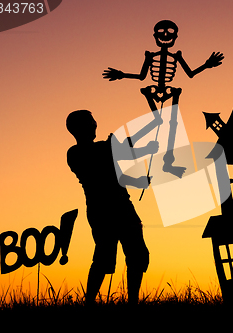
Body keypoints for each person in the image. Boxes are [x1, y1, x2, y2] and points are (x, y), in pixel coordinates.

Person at [66, 110, 159, 305]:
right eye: (91, 123)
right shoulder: (77, 153)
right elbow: (122, 150)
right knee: (105, 258)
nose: (94, 126)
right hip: (110, 210)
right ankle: (91, 302)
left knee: (135, 255)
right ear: (80, 129)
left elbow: (116, 172)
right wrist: (153, 124)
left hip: (110, 209)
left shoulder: (93, 150)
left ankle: (127, 301)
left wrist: (138, 179)